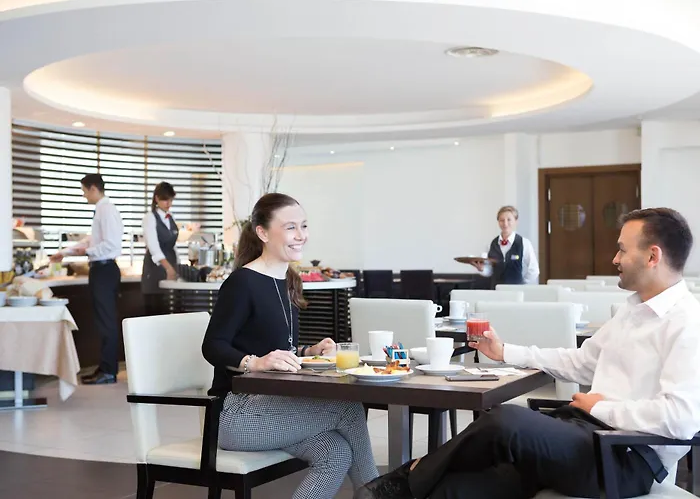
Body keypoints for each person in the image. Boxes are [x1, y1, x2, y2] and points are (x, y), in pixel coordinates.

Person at [356, 207, 700, 499]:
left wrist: (600, 407)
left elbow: (681, 418)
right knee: (454, 489)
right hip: (581, 436)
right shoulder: (632, 310)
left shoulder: (687, 322)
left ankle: (406, 478)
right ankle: (409, 483)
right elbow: (580, 362)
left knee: (506, 419)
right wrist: (505, 351)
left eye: (622, 250)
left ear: (652, 256)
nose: (615, 259)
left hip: (624, 457)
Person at [201, 193, 378, 499]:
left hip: (275, 406)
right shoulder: (242, 283)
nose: (301, 235)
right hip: (237, 414)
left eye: (304, 226)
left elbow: (277, 347)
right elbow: (212, 346)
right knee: (349, 407)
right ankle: (380, 493)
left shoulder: (287, 279)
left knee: (336, 452)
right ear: (262, 232)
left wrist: (310, 351)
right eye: (290, 227)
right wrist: (254, 362)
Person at [50, 173, 124, 385]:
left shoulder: (106, 209)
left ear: (93, 188)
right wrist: (66, 252)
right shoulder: (101, 209)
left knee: (107, 322)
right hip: (100, 270)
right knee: (103, 321)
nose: (83, 196)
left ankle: (109, 372)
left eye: (84, 191)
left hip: (105, 270)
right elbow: (92, 240)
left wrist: (86, 251)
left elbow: (111, 244)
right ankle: (105, 368)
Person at [469, 206, 539, 287]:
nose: (505, 224)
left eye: (509, 220)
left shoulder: (524, 243)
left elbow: (534, 270)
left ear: (516, 221)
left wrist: (521, 284)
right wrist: (481, 269)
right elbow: (490, 271)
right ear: (498, 222)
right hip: (496, 290)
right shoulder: (491, 244)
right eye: (502, 220)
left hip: (516, 292)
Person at [141, 182, 178, 315]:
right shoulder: (150, 218)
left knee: (170, 310)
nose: (168, 203)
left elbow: (173, 246)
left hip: (171, 266)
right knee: (156, 310)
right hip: (155, 269)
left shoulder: (171, 217)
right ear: (156, 198)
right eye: (165, 199)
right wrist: (168, 268)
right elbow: (153, 247)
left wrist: (176, 267)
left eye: (170, 200)